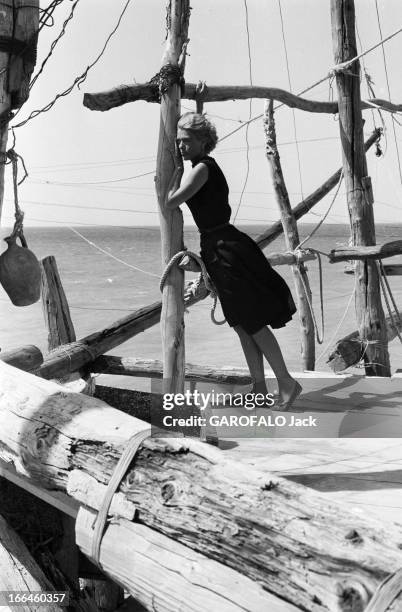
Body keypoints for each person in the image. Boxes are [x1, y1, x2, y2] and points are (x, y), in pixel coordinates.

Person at [165, 112, 302, 410]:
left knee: (252, 322)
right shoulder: (198, 167)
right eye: (178, 142)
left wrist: (166, 177)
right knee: (240, 323)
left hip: (227, 249)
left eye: (187, 141)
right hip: (217, 247)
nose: (181, 147)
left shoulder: (202, 168)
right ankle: (260, 387)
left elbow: (170, 201)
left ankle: (287, 383)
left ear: (204, 141)